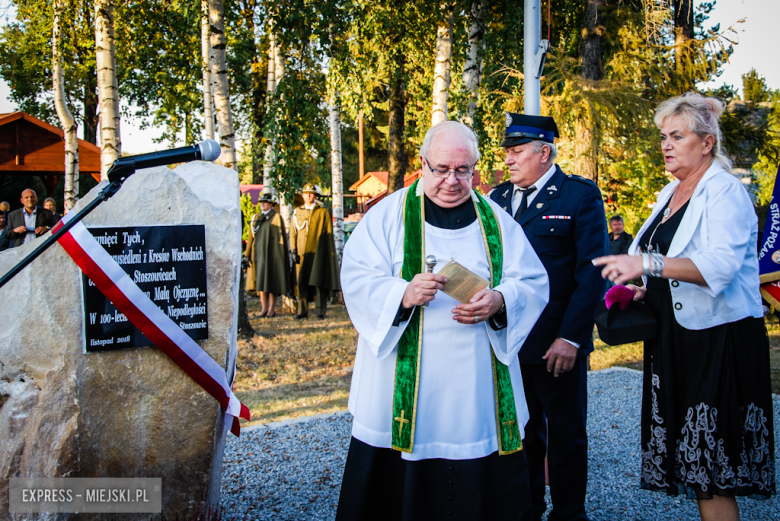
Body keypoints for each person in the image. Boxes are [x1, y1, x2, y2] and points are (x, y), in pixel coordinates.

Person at [336, 121, 549, 520]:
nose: (452, 181)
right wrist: (402, 293)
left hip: (476, 390)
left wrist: (500, 299)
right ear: (422, 164)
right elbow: (357, 276)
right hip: (401, 387)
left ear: (476, 169)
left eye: (463, 170)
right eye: (442, 169)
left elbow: (532, 281)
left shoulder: (497, 221)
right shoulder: (388, 216)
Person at [594, 92, 775, 521]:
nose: (666, 145)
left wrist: (647, 264)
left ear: (707, 142)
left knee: (711, 466)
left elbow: (722, 266)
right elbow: (660, 258)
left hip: (717, 339)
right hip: (674, 338)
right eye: (663, 136)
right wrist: (644, 286)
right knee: (693, 464)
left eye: (677, 136)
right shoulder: (670, 191)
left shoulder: (724, 191)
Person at [489, 113, 608, 521]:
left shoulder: (578, 196)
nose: (508, 159)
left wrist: (572, 338)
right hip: (510, 340)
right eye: (507, 151)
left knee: (565, 435)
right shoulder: (499, 199)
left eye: (516, 151)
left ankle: (570, 514)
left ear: (544, 152)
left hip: (558, 342)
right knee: (521, 431)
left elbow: (592, 274)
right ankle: (528, 508)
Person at [290, 184, 340, 319]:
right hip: (302, 251)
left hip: (318, 251)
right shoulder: (297, 212)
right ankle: (302, 311)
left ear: (315, 196)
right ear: (303, 195)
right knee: (301, 282)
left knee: (319, 281)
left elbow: (327, 234)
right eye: (306, 193)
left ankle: (320, 311)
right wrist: (293, 250)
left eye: (311, 193)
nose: (309, 195)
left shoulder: (322, 212)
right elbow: (293, 232)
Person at [244, 192, 293, 317]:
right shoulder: (257, 217)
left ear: (271, 204)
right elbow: (251, 237)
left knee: (272, 283)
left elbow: (280, 238)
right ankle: (263, 307)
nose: (263, 204)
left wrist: (279, 256)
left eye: (265, 202)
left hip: (272, 255)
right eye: (261, 202)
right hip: (259, 255)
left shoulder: (276, 217)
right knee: (261, 282)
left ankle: (271, 308)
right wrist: (247, 253)